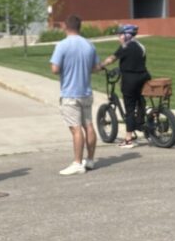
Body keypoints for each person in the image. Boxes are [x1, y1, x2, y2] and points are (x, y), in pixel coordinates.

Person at [49, 14, 100, 175]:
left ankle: (77, 162)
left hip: (70, 93)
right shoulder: (89, 45)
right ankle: (90, 160)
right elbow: (95, 67)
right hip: (86, 91)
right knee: (89, 125)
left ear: (65, 26)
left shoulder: (62, 45)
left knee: (75, 129)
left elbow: (55, 69)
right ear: (79, 27)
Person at [99, 23, 150, 148]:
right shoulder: (140, 46)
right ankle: (143, 117)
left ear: (126, 35)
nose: (119, 37)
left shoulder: (125, 47)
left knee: (130, 108)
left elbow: (112, 58)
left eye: (120, 35)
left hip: (130, 79)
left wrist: (100, 65)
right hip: (144, 77)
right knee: (139, 100)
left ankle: (128, 139)